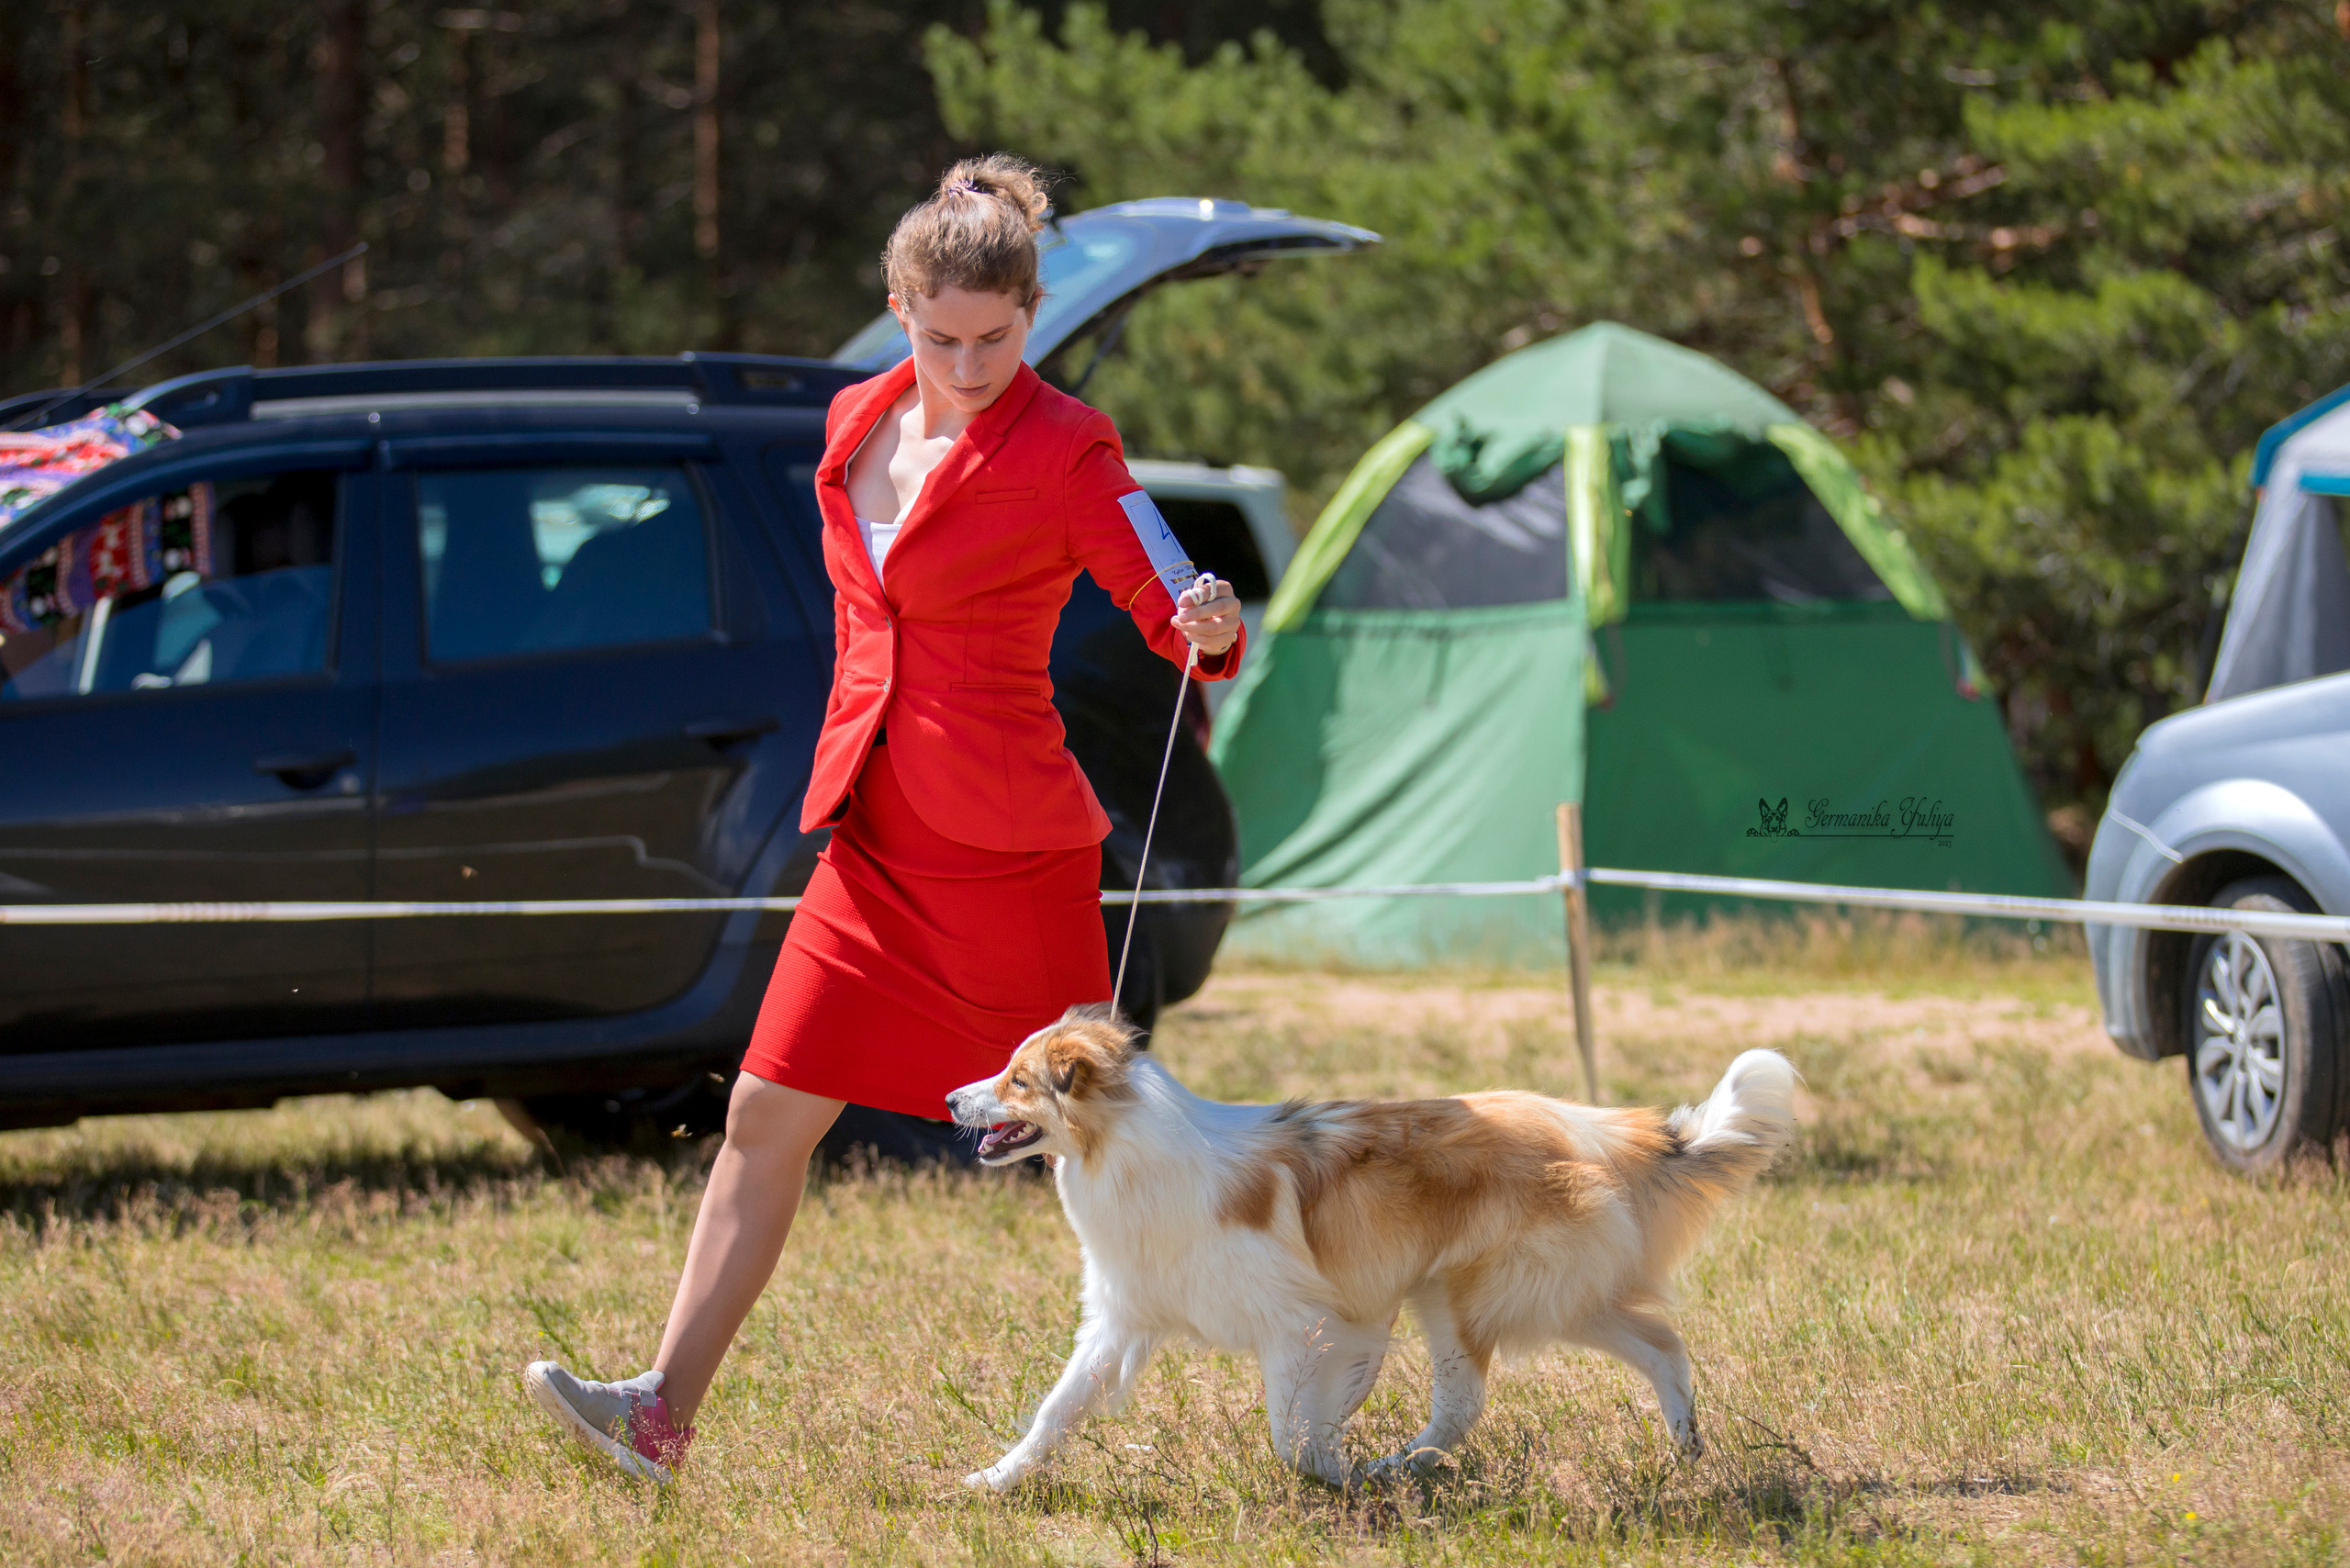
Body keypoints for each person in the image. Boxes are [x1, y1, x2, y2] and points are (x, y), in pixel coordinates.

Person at [520, 154, 1246, 1483]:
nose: (970, 366)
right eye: (941, 338)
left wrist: (1203, 619)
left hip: (1010, 851)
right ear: (898, 310)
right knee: (761, 1116)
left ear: (1030, 313)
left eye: (998, 338)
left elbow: (1160, 580)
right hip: (869, 842)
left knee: (1124, 1147)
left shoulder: (1067, 442)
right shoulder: (853, 419)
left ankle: (1309, 1302)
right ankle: (659, 1416)